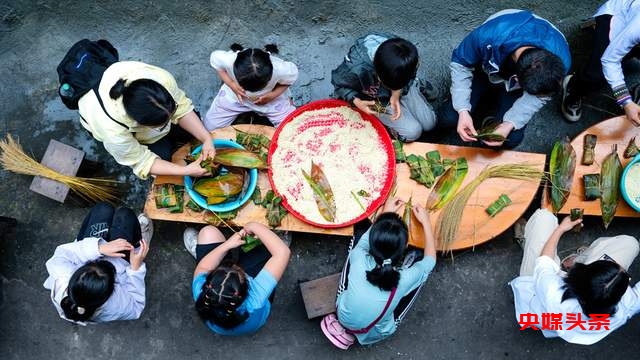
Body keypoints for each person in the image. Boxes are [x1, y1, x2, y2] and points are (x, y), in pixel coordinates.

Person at [438, 9, 571, 149]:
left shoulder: (560, 64)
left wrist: (508, 124)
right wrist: (463, 110)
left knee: (512, 138)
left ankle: (495, 119)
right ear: (517, 81)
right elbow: (460, 63)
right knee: (449, 118)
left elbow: (539, 97)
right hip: (484, 68)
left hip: (517, 74)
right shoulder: (486, 36)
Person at [509, 208, 640, 345]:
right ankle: (579, 259)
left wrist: (561, 228)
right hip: (572, 326)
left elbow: (543, 262)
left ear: (579, 279)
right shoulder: (626, 305)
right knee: (631, 244)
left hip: (538, 296)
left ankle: (528, 239)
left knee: (544, 217)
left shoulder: (553, 293)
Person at [321, 197, 437, 348]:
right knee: (421, 277)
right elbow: (431, 261)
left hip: (343, 316)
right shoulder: (403, 279)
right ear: (405, 247)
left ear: (372, 243)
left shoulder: (360, 258)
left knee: (354, 250)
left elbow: (363, 241)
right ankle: (412, 264)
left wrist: (385, 212)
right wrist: (426, 223)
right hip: (375, 331)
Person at [78, 61, 215, 179]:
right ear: (140, 124)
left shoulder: (160, 79)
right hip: (99, 118)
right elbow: (142, 161)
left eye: (172, 114)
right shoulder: (112, 131)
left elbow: (182, 109)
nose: (170, 123)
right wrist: (186, 171)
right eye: (162, 126)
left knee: (188, 131)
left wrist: (206, 138)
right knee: (164, 155)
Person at [43, 202, 152, 324]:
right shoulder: (115, 305)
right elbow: (136, 306)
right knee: (125, 215)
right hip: (123, 262)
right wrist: (135, 268)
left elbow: (62, 254)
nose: (101, 260)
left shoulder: (63, 277)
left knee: (103, 209)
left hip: (90, 247)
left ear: (74, 277)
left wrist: (99, 249)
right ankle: (139, 242)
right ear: (111, 290)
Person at [185, 222, 291, 335]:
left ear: (209, 284)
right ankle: (278, 240)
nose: (234, 265)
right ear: (247, 289)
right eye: (239, 271)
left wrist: (228, 245)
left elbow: (203, 267)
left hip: (220, 322)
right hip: (255, 320)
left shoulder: (202, 293)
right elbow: (283, 253)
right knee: (267, 250)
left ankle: (200, 250)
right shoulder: (255, 300)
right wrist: (254, 226)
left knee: (208, 232)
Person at [331, 33, 437, 142]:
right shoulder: (354, 69)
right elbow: (338, 85)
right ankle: (388, 124)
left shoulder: (404, 52)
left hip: (402, 85)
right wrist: (357, 102)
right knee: (413, 132)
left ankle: (415, 84)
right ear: (378, 77)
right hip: (373, 99)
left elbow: (407, 77)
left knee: (430, 123)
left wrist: (396, 94)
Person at [561, 0, 640, 125]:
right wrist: (626, 101)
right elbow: (609, 60)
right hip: (616, 16)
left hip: (632, 23)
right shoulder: (637, 27)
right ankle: (573, 86)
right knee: (595, 74)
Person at [203, 44, 298, 130]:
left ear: (270, 76)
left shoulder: (280, 69)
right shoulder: (229, 60)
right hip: (236, 96)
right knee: (209, 128)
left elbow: (290, 80)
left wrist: (272, 95)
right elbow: (216, 63)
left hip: (270, 100)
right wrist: (231, 84)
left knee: (291, 128)